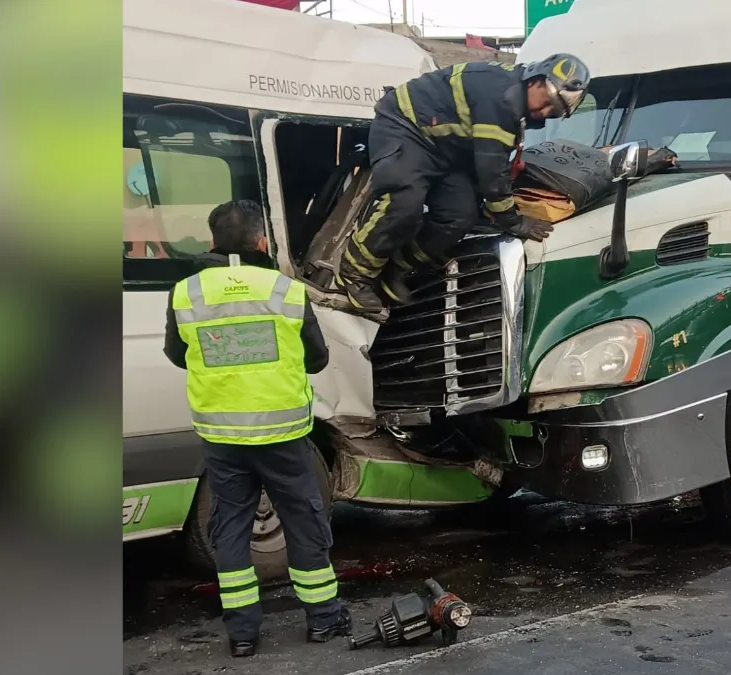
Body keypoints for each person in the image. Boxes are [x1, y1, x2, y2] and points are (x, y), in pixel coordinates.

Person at [162, 200, 349, 657]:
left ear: (212, 241)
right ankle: (323, 619)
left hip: (223, 438)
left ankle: (243, 633)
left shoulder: (186, 293)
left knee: (230, 530)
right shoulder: (284, 289)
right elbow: (318, 358)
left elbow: (175, 353)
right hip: (283, 435)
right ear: (261, 241)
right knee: (303, 522)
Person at [336, 53, 592, 312]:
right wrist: (514, 222)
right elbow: (492, 172)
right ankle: (355, 272)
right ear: (536, 81)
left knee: (460, 215)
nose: (545, 112)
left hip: (445, 148)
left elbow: (492, 168)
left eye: (555, 112)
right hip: (405, 126)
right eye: (548, 102)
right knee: (404, 203)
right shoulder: (501, 99)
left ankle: (396, 266)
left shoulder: (515, 103)